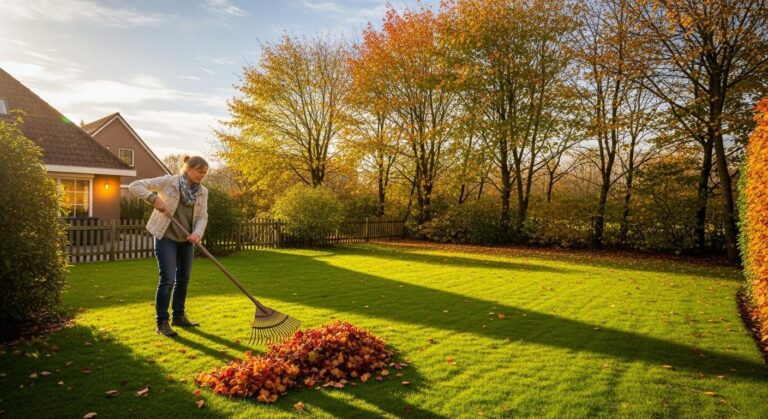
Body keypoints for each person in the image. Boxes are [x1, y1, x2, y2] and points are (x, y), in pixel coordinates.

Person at [129, 155, 209, 337]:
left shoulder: (203, 192)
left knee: (183, 280)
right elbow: (135, 186)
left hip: (187, 240)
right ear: (188, 169)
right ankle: (162, 322)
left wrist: (198, 233)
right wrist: (153, 199)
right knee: (167, 280)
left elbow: (203, 216)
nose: (202, 175)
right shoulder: (168, 182)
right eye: (199, 171)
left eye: (204, 173)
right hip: (166, 237)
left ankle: (179, 316)